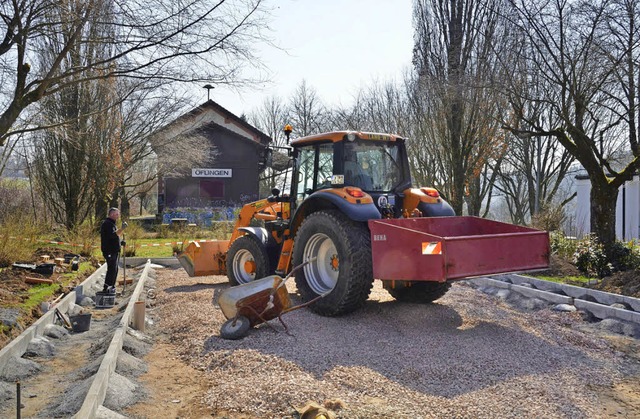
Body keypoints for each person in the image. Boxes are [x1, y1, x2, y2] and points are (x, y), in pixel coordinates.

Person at [100, 208, 127, 293]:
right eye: (116, 214)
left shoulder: (112, 224)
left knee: (115, 269)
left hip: (114, 250)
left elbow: (114, 237)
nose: (118, 216)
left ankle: (112, 286)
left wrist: (120, 242)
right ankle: (107, 288)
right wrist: (122, 229)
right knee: (111, 269)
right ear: (111, 214)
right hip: (109, 251)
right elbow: (112, 235)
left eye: (118, 214)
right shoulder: (107, 224)